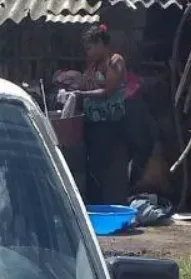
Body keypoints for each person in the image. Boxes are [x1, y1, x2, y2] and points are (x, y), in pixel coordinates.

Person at [76, 25, 130, 206]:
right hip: (92, 123)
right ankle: (96, 204)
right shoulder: (93, 65)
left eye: (90, 48)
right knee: (92, 166)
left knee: (106, 167)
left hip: (109, 124)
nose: (88, 53)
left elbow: (108, 91)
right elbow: (85, 84)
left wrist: (82, 94)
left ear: (100, 43)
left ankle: (109, 204)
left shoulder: (115, 62)